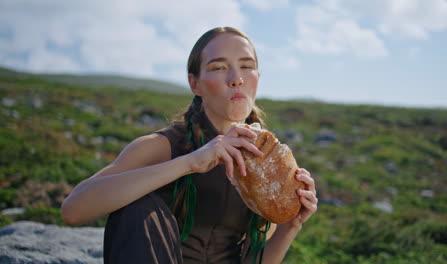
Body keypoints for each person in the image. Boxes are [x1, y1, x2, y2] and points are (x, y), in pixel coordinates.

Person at [61, 26, 318, 264]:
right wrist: (190, 162)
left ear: (258, 77)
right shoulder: (162, 146)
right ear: (195, 83)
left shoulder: (267, 163)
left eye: (246, 66)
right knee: (138, 205)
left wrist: (290, 226)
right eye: (218, 67)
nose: (236, 78)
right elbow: (74, 210)